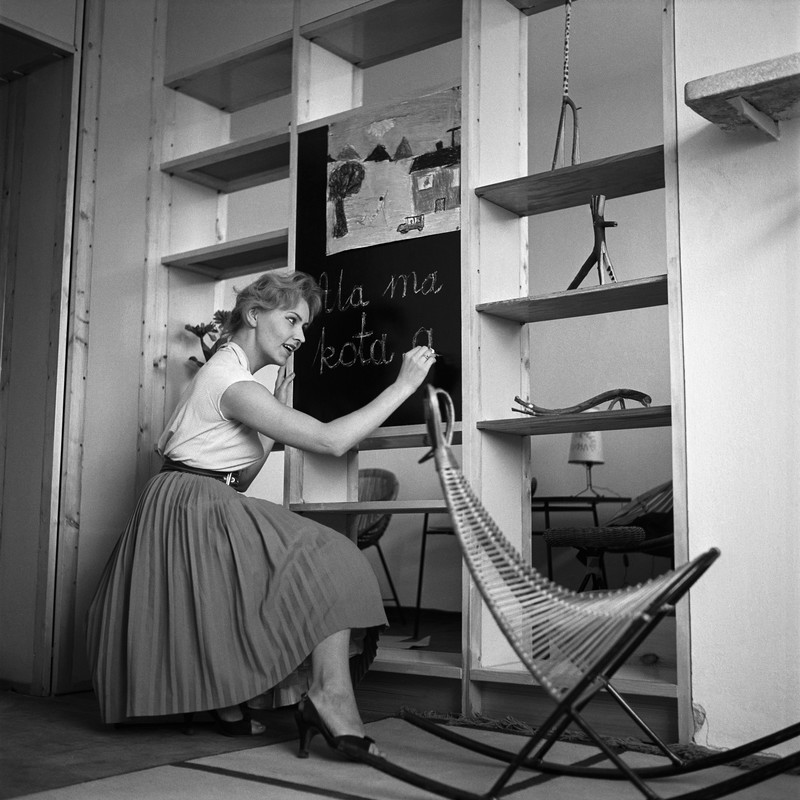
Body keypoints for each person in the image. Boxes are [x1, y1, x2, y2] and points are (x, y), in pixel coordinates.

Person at [85, 270, 436, 759]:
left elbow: (239, 478)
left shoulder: (234, 379)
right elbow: (331, 441)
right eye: (291, 320)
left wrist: (273, 413)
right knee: (334, 555)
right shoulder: (231, 381)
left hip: (196, 500)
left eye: (305, 327)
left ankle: (232, 706)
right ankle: (328, 697)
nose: (300, 336)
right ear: (253, 314)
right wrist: (404, 386)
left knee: (275, 575)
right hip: (192, 504)